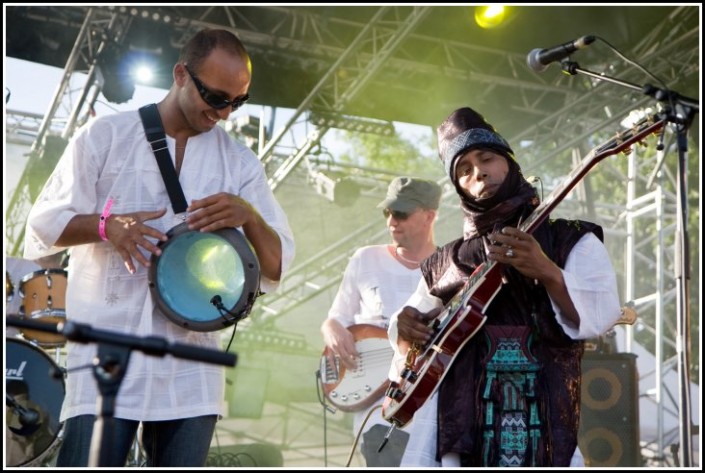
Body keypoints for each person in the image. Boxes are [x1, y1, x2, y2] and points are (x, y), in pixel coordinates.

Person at [23, 28, 295, 467]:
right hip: (105, 356)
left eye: (237, 102)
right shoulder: (105, 136)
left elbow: (277, 267)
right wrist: (106, 225)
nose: (224, 113)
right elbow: (45, 224)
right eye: (216, 96)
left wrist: (249, 215)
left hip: (192, 365)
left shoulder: (241, 164)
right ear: (181, 74)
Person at [388, 107, 622, 467]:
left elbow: (601, 316)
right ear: (458, 187)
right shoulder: (445, 260)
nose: (478, 172)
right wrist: (404, 327)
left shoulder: (570, 239)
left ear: (509, 164)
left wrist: (547, 271)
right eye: (464, 170)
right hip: (460, 418)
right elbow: (410, 340)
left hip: (543, 408)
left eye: (486, 159)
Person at [320, 176, 442, 467]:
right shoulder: (365, 258)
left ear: (429, 215)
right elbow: (335, 319)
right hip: (375, 409)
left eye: (401, 213)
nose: (391, 220)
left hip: (426, 407)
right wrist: (333, 330)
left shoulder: (448, 266)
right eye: (387, 212)